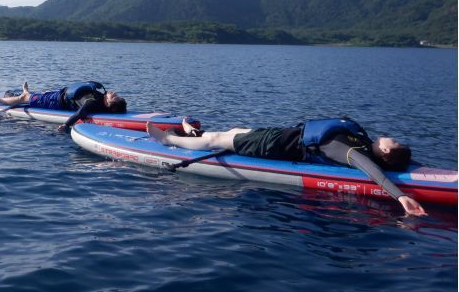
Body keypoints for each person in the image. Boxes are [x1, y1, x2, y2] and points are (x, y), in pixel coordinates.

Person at [146, 117, 427, 216]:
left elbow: (370, 169)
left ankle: (171, 139)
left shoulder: (350, 150)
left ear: (387, 150)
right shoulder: (362, 141)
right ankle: (193, 135)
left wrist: (400, 195)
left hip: (274, 146)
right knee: (234, 130)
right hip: (280, 135)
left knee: (220, 139)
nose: (392, 137)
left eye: (395, 141)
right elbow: (396, 161)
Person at [0, 81, 127, 131]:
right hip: (59, 94)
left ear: (108, 103)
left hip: (55, 101)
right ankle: (24, 92)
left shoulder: (92, 102)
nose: (113, 93)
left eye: (113, 97)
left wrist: (65, 126)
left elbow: (78, 115)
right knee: (31, 97)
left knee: (24, 98)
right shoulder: (99, 98)